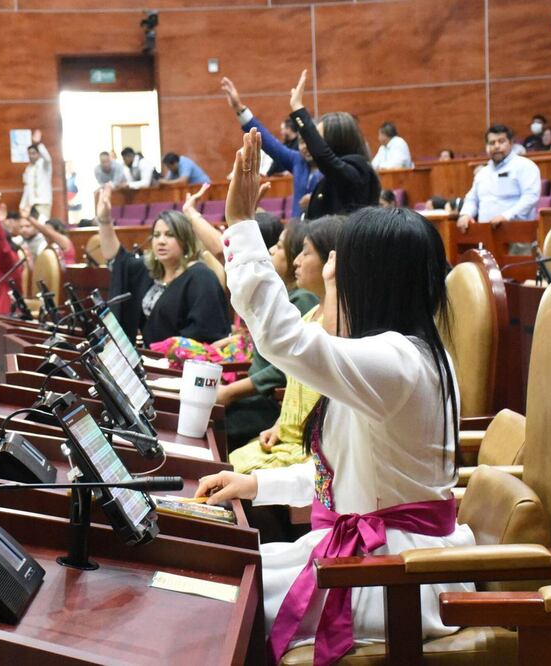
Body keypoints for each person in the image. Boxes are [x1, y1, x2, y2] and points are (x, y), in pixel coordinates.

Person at [195, 129, 473, 662]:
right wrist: (256, 483)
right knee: (226, 579)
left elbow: (284, 339)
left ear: (369, 286)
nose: (329, 282)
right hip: (371, 551)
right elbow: (347, 474)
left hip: (399, 575)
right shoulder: (396, 354)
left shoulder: (396, 360)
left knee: (223, 608)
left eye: (336, 274)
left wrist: (242, 224)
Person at [226, 215, 343, 475]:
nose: (296, 261)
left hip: (309, 453)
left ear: (331, 261)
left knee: (228, 474)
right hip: (286, 439)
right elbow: (296, 387)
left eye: (306, 253)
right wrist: (280, 423)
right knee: (224, 464)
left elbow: (329, 375)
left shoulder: (341, 323)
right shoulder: (309, 314)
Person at [215, 218, 322, 448]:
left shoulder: (303, 299)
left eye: (280, 246)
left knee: (214, 423)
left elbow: (284, 367)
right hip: (257, 396)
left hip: (270, 401)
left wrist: (230, 392)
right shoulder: (290, 296)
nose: (272, 250)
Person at [95, 184, 229, 346]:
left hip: (183, 359)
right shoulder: (149, 270)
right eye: (156, 235)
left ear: (185, 239)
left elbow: (206, 333)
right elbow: (117, 260)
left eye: (169, 235)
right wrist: (104, 220)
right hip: (149, 356)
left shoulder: (200, 277)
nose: (161, 241)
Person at [222, 76, 322, 219]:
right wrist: (239, 108)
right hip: (296, 230)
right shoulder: (298, 160)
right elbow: (268, 141)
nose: (305, 147)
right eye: (301, 142)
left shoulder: (334, 165)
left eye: (309, 141)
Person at [288, 70, 381, 218]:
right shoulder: (333, 175)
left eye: (319, 138)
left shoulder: (358, 169)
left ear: (336, 140)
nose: (314, 144)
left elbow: (323, 156)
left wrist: (298, 108)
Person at [457, 124, 541, 232]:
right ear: (487, 147)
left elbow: (530, 197)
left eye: (501, 141)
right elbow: (472, 199)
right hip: (485, 234)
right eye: (492, 143)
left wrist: (506, 216)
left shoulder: (525, 166)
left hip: (518, 233)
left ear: (511, 143)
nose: (496, 146)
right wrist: (465, 214)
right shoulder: (482, 173)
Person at [19, 130, 53, 221]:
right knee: (33, 226)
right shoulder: (28, 169)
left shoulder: (45, 165)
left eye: (33, 153)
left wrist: (38, 144)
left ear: (39, 154)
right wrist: (22, 204)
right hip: (31, 204)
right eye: (29, 154)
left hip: (43, 202)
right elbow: (27, 187)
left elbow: (47, 158)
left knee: (42, 226)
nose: (31, 156)